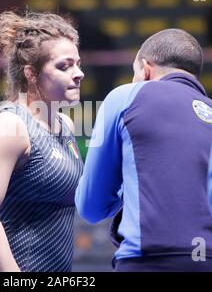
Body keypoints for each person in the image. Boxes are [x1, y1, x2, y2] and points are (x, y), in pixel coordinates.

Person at [75, 29, 212, 271]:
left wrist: (128, 190)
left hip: (145, 260)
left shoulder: (124, 97)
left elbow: (91, 206)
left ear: (145, 68)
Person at [0, 10, 84, 272]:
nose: (78, 73)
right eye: (65, 66)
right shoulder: (10, 126)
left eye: (78, 63)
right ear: (31, 74)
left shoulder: (66, 126)